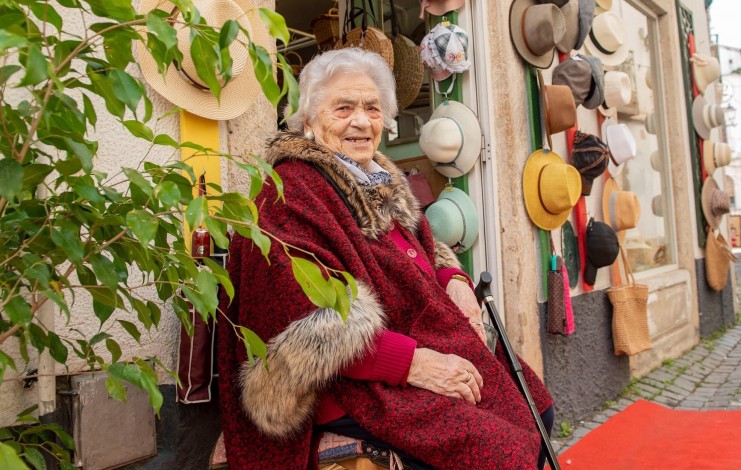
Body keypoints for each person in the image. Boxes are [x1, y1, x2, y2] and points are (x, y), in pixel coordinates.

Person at [217, 48, 554, 469]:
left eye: (372, 108)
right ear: (307, 120)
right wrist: (415, 364)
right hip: (352, 380)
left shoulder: (377, 176)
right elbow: (304, 322)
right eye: (343, 108)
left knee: (538, 408)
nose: (361, 121)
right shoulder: (290, 191)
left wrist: (454, 279)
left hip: (422, 334)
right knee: (500, 451)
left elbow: (424, 247)